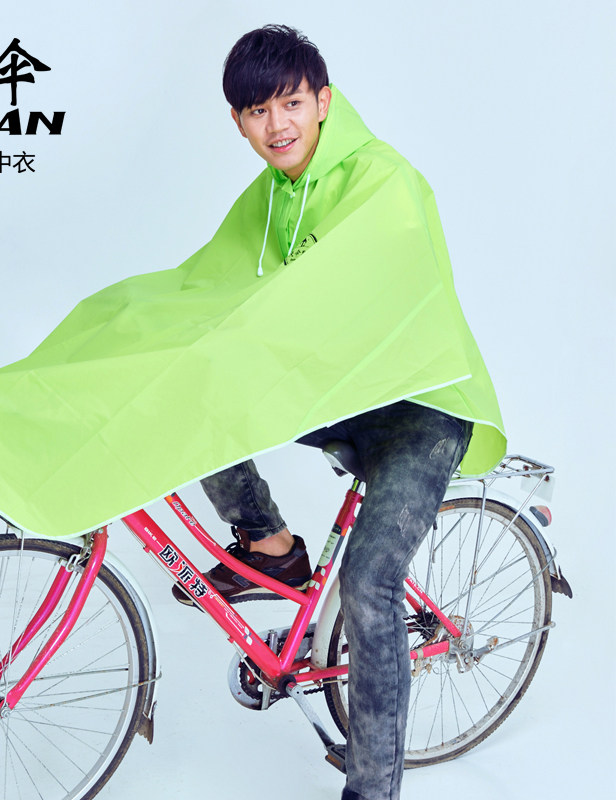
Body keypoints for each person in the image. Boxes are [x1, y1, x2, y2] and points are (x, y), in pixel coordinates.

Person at [170, 25, 485, 800]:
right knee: (194, 393)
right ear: (238, 123)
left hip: (417, 410)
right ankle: (270, 545)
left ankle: (372, 791)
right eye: (257, 111)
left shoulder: (384, 181)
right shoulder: (270, 200)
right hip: (339, 395)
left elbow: (363, 302)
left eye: (290, 103)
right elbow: (207, 294)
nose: (276, 125)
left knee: (370, 587)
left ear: (323, 103)